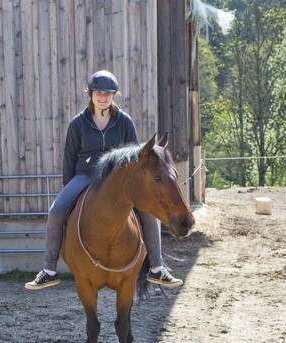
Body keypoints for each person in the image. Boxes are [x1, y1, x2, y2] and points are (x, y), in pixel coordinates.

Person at [25, 70, 183, 290]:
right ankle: (49, 269)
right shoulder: (78, 124)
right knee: (55, 211)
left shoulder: (124, 121)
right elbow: (69, 158)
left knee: (148, 214)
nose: (103, 97)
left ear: (113, 96)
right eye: (98, 92)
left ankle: (157, 268)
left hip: (117, 182)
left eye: (108, 93)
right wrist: (68, 189)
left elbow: (136, 157)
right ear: (90, 94)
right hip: (85, 176)